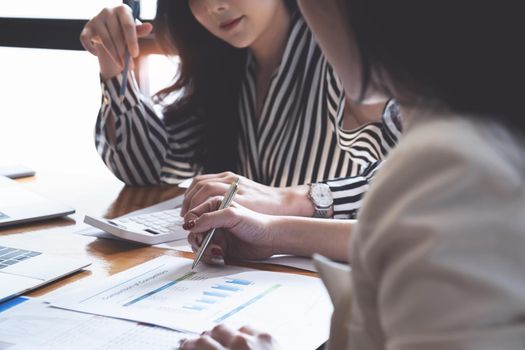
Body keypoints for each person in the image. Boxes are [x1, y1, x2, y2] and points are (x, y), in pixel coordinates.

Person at [180, 0, 525, 349]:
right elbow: (406, 238)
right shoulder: (470, 139)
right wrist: (276, 233)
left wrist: (294, 203)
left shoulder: (451, 164)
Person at [80, 0, 402, 221]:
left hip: (334, 290)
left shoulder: (339, 53)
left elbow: (422, 181)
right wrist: (114, 67)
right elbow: (147, 168)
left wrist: (291, 201)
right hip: (249, 286)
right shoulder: (226, 69)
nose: (212, 6)